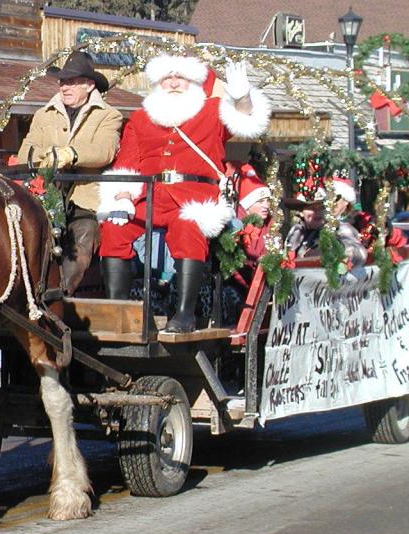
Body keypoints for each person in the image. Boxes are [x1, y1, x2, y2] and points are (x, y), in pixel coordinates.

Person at [96, 54, 271, 332]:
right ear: (158, 82)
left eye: (181, 77)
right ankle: (118, 311)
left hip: (194, 194)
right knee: (114, 228)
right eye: (168, 78)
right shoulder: (141, 118)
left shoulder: (212, 112)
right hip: (150, 196)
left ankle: (184, 313)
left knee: (186, 226)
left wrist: (243, 99)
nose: (174, 83)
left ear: (194, 82)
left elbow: (244, 121)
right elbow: (127, 163)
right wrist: (123, 197)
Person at [16, 51, 123, 295]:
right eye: (63, 82)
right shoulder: (43, 114)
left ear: (89, 85)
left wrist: (72, 154)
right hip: (43, 197)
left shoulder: (109, 115)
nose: (65, 87)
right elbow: (25, 153)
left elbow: (104, 150)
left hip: (84, 202)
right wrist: (51, 156)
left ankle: (58, 297)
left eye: (72, 82)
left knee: (83, 238)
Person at [285, 178, 367, 268]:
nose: (316, 212)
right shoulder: (297, 231)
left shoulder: (339, 228)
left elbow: (359, 254)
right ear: (301, 212)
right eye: (310, 207)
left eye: (321, 207)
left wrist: (339, 252)